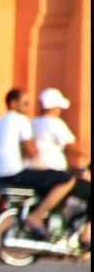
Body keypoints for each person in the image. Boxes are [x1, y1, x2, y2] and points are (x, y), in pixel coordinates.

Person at [0, 88, 76, 239]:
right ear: (13, 103)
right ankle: (37, 216)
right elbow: (31, 152)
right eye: (25, 103)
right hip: (14, 174)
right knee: (65, 178)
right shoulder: (20, 120)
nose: (28, 108)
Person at [30, 88, 90, 247]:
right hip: (53, 175)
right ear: (55, 107)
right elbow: (71, 146)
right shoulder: (54, 123)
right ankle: (87, 235)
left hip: (36, 173)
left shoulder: (32, 123)